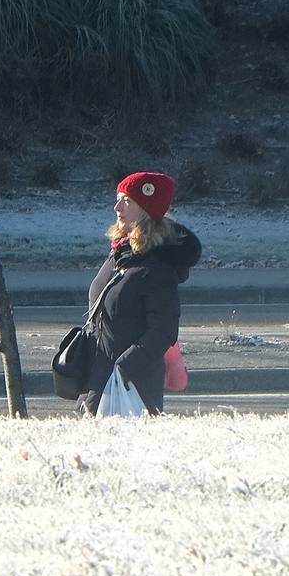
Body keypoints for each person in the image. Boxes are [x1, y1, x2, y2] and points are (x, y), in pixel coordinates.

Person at [79, 171, 202, 416]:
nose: (117, 207)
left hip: (132, 391)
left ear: (146, 210)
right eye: (118, 199)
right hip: (98, 382)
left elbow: (164, 331)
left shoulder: (157, 267)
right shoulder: (121, 254)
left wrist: (123, 367)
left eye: (127, 201)